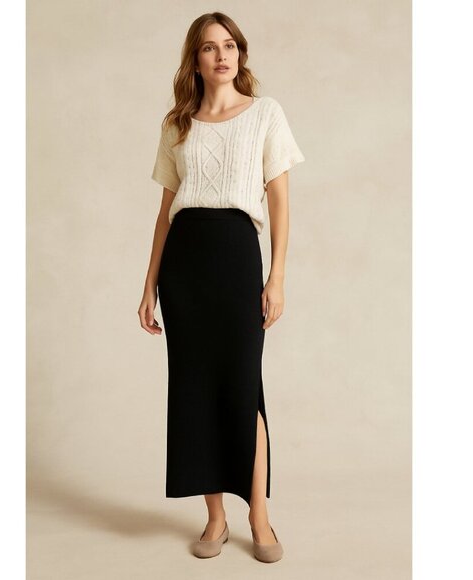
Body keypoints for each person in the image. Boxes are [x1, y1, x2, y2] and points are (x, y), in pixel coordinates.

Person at [138, 12, 305, 563]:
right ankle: (215, 517)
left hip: (236, 257)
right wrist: (149, 285)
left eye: (229, 45)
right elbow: (164, 214)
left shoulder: (265, 114)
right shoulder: (178, 125)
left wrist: (276, 276)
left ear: (240, 53)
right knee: (194, 390)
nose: (221, 55)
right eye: (210, 47)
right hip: (184, 266)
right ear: (196, 59)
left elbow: (279, 202)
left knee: (242, 387)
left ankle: (259, 515)